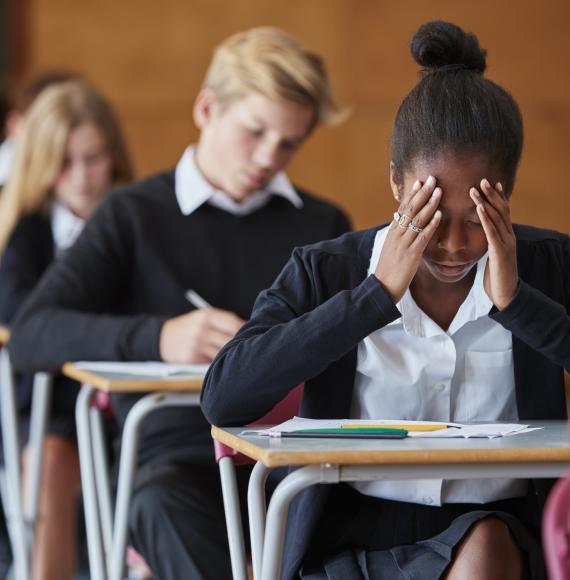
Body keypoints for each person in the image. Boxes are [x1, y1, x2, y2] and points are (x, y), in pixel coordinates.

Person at [202, 20, 570, 580]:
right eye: (430, 217)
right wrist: (373, 297)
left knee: (485, 545)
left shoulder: (549, 266)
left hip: (496, 532)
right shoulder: (327, 269)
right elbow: (224, 397)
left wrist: (518, 303)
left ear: (506, 196)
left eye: (475, 220)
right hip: (350, 532)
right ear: (396, 183)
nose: (451, 243)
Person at [9, 27, 351, 579]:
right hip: (178, 461)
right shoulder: (132, 215)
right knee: (164, 506)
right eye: (255, 131)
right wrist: (160, 337)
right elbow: (32, 334)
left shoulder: (321, 225)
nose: (269, 157)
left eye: (289, 142)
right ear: (207, 108)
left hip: (295, 459)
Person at [0, 79, 134, 580]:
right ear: (41, 163)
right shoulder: (26, 229)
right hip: (45, 404)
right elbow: (20, 318)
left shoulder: (130, 218)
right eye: (64, 162)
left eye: (94, 158)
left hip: (119, 396)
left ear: (113, 155)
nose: (81, 177)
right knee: (52, 458)